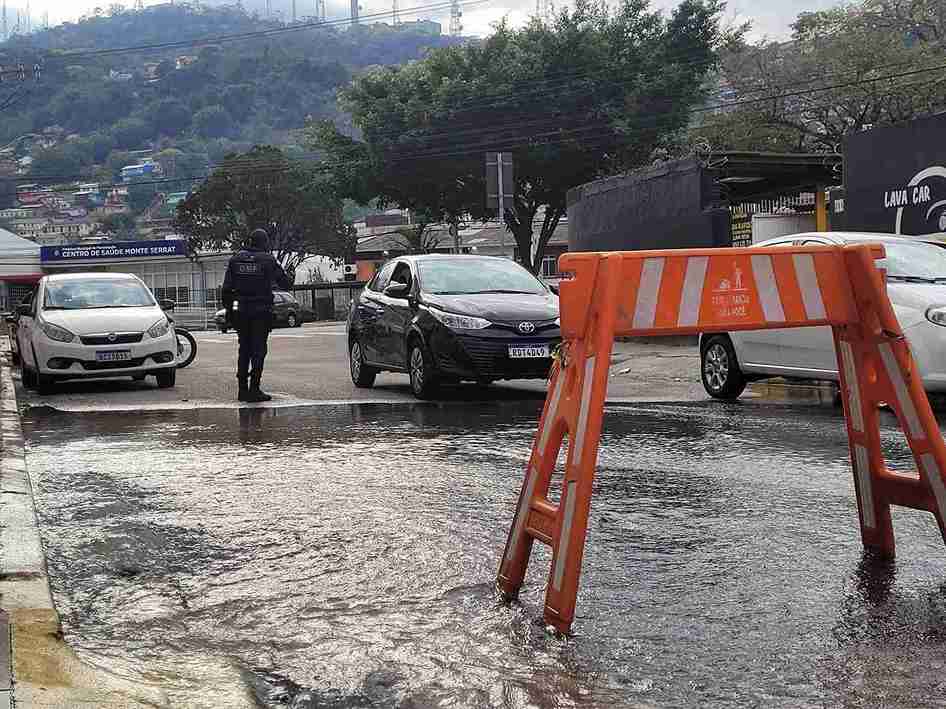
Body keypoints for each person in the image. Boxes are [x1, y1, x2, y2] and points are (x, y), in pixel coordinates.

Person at [221, 228, 291, 402]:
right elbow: (286, 283)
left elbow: (226, 290)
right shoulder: (268, 260)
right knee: (258, 350)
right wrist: (291, 274)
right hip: (261, 312)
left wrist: (231, 310)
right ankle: (255, 388)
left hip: (241, 312)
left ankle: (242, 390)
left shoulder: (235, 259)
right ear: (264, 243)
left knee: (244, 349)